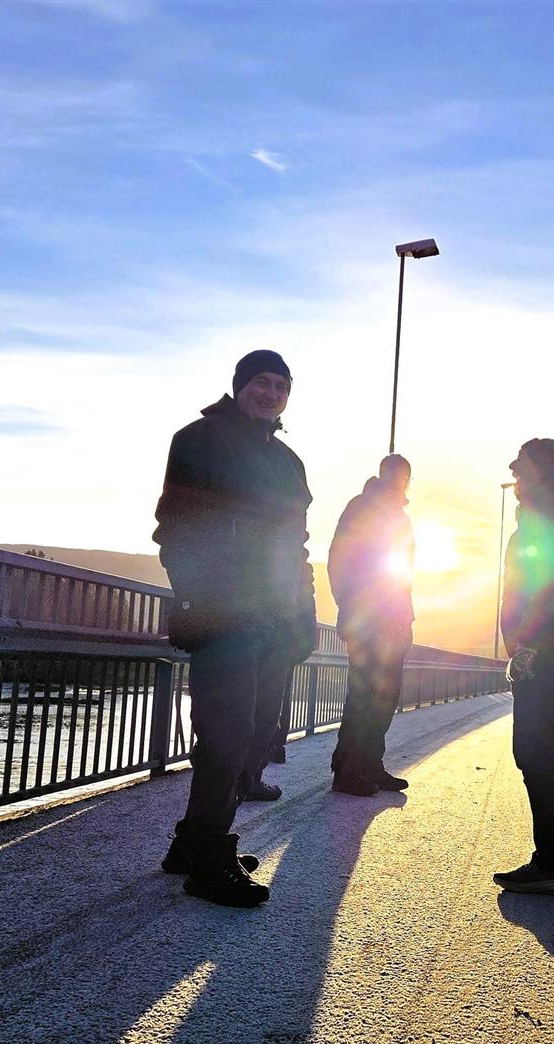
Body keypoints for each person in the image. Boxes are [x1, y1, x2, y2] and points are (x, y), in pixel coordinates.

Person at [153, 349, 315, 907]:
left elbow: (297, 547)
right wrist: (197, 598)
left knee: (256, 733)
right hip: (223, 613)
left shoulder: (288, 462)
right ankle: (208, 861)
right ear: (240, 385)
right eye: (261, 383)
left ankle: (193, 842)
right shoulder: (199, 440)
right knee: (226, 734)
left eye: (281, 386)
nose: (271, 394)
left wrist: (303, 613)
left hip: (274, 618)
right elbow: (175, 527)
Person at [492, 439, 554, 895]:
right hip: (550, 643)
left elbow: (553, 584)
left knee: (535, 749)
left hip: (548, 645)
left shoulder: (551, 517)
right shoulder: (548, 513)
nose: (514, 473)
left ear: (544, 472)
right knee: (537, 749)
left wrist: (529, 644)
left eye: (522, 467)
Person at [328, 454, 415, 796]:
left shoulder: (401, 518)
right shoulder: (360, 508)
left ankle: (370, 765)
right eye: (396, 476)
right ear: (383, 476)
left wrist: (406, 617)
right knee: (363, 696)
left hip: (394, 623)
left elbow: (404, 574)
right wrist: (350, 607)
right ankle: (348, 771)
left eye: (405, 478)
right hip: (366, 621)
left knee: (385, 697)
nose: (400, 483)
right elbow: (339, 559)